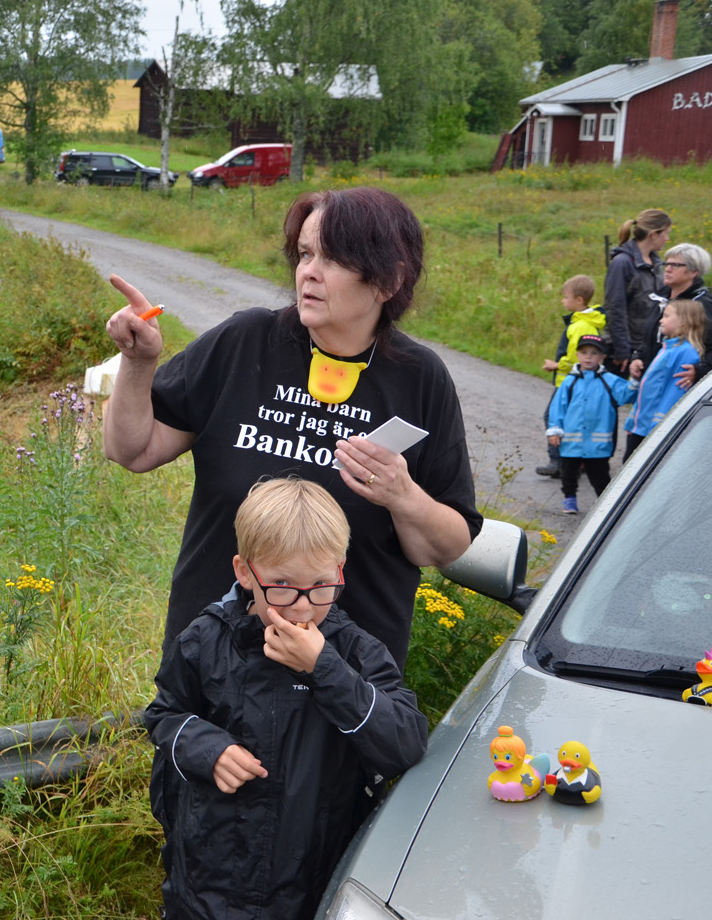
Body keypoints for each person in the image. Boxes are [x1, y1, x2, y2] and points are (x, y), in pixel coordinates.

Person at [104, 185, 481, 671]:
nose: (309, 272)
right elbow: (132, 451)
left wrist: (402, 494)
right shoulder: (246, 341)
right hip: (215, 661)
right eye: (305, 254)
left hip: (346, 676)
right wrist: (138, 363)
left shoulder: (419, 378)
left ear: (389, 280)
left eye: (334, 259)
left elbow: (449, 546)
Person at [145, 477, 428, 920]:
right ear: (244, 572)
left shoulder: (355, 653)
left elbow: (405, 743)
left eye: (320, 585)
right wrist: (206, 748)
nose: (301, 607)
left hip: (312, 881)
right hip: (210, 877)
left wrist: (324, 668)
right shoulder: (204, 641)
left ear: (340, 571)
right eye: (281, 584)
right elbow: (164, 715)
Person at [545, 334, 636, 515]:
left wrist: (635, 381)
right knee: (568, 471)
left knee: (600, 474)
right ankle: (569, 498)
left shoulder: (609, 380)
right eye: (584, 352)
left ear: (602, 357)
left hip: (598, 444)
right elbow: (558, 407)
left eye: (594, 353)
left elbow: (627, 395)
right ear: (577, 355)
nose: (588, 357)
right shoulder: (570, 381)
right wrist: (554, 429)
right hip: (571, 440)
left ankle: (606, 503)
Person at [535, 274, 606, 479]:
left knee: (553, 417)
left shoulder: (580, 326)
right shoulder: (587, 322)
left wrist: (556, 365)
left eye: (566, 297)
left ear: (579, 300)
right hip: (576, 381)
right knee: (573, 419)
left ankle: (557, 461)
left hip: (568, 381)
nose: (562, 301)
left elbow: (576, 356)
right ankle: (577, 461)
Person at [629, 243, 712, 389]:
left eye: (675, 265)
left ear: (694, 272)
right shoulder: (661, 297)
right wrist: (638, 357)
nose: (667, 269)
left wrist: (698, 371)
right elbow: (651, 338)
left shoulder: (700, 304)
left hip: (677, 386)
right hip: (652, 383)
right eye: (666, 264)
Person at [624, 298, 707, 461]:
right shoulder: (668, 348)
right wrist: (633, 422)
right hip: (642, 426)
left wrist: (659, 428)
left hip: (653, 430)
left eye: (667, 316)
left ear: (683, 322)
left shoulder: (686, 353)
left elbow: (674, 394)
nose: (661, 320)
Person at [603, 208, 671, 377]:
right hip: (623, 351)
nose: (667, 239)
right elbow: (615, 308)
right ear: (653, 234)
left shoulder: (657, 264)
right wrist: (622, 350)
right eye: (666, 234)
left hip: (646, 347)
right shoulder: (622, 263)